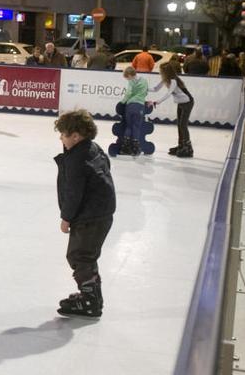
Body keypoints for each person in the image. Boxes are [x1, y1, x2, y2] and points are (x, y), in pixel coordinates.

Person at [53, 109, 116, 318]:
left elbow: (73, 192)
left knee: (79, 256)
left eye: (63, 134)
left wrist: (66, 218)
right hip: (101, 213)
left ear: (75, 136)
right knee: (86, 255)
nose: (60, 138)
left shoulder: (77, 159)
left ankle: (90, 301)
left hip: (90, 216)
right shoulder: (93, 148)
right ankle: (92, 296)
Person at [147, 62, 194, 158]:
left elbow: (168, 94)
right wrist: (144, 88)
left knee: (183, 125)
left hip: (188, 102)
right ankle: (181, 145)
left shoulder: (173, 81)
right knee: (179, 125)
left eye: (161, 71)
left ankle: (188, 147)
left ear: (166, 72)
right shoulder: (165, 80)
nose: (159, 72)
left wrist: (156, 102)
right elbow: (155, 89)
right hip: (181, 103)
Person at [118, 66, 148, 156]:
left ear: (130, 75)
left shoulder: (131, 81)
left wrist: (122, 102)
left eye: (127, 77)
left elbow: (128, 93)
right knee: (136, 126)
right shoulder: (144, 80)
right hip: (139, 106)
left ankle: (125, 147)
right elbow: (146, 92)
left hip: (130, 105)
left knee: (129, 126)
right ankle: (135, 147)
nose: (127, 79)